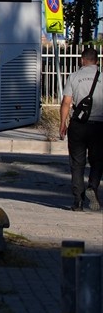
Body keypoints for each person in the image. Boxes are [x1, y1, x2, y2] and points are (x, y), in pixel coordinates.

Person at [59, 46, 103, 212]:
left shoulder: (74, 77)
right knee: (97, 160)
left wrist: (62, 124)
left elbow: (66, 102)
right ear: (97, 61)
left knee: (77, 163)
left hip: (78, 125)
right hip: (99, 126)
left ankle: (78, 201)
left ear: (81, 60)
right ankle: (92, 186)